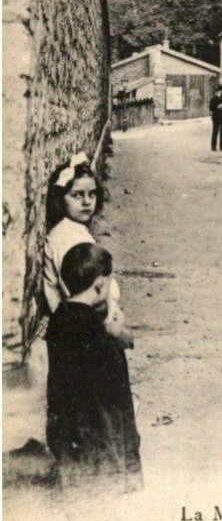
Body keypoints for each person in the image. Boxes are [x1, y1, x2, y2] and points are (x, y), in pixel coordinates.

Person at [46, 243, 142, 492]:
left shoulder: (60, 319)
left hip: (67, 430)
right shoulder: (95, 335)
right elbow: (113, 388)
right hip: (97, 436)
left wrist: (112, 333)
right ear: (99, 284)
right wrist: (116, 339)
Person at [44, 155, 132, 347]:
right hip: (82, 331)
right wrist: (112, 330)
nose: (86, 202)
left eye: (92, 194)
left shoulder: (76, 229)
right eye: (77, 195)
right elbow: (79, 294)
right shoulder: (66, 239)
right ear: (60, 199)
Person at [210, 84, 222, 151]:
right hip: (216, 117)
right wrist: (217, 107)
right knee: (215, 131)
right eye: (219, 91)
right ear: (217, 92)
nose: (221, 92)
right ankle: (213, 147)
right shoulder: (213, 99)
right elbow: (211, 108)